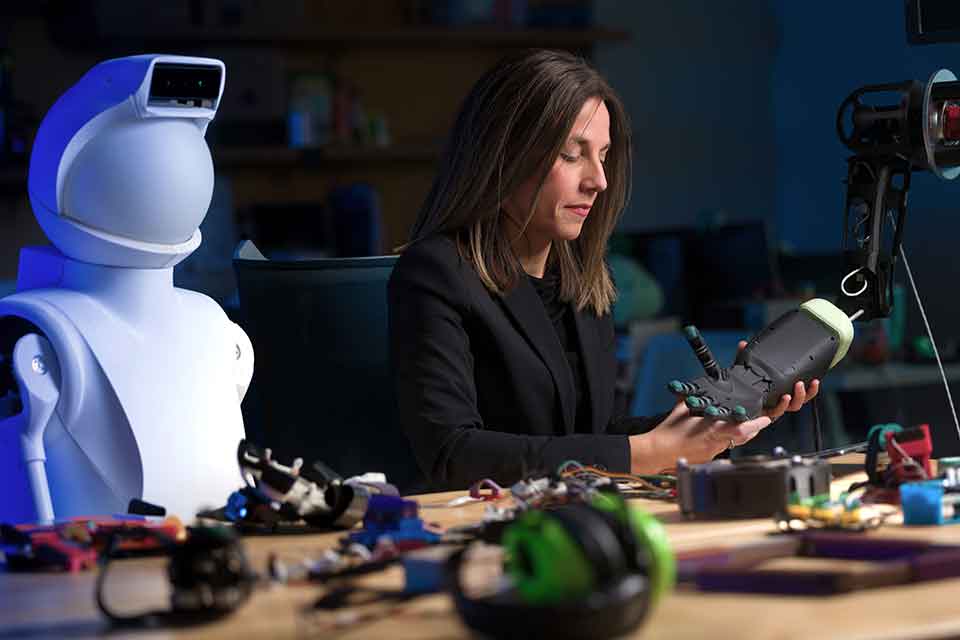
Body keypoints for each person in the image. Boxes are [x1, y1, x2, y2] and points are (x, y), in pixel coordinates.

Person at [388, 49, 818, 489]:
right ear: (503, 155)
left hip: (576, 512)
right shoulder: (436, 272)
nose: (599, 180)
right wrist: (649, 451)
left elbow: (596, 436)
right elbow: (452, 454)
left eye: (604, 155)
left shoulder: (586, 280)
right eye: (571, 155)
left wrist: (713, 426)